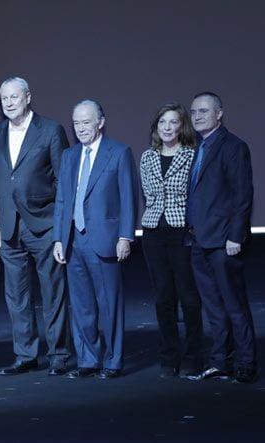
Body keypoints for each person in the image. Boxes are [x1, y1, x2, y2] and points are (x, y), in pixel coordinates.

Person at [0, 77, 72, 376]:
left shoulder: (50, 130)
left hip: (44, 223)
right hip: (9, 228)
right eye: (4, 98)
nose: (9, 103)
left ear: (28, 97)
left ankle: (59, 353)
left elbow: (64, 180)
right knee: (16, 295)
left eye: (14, 97)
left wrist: (61, 226)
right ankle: (25, 354)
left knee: (53, 291)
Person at [52, 99, 137, 379]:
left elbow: (128, 197)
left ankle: (113, 361)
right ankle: (88, 359)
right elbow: (63, 199)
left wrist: (126, 236)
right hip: (74, 239)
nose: (80, 128)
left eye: (86, 122)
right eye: (76, 123)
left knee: (109, 304)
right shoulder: (70, 156)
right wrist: (58, 238)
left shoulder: (119, 152)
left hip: (105, 239)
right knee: (82, 305)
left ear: (101, 121)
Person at [186, 92, 257, 383]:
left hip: (224, 242)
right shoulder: (199, 148)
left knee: (234, 306)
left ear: (219, 114)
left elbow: (242, 196)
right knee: (213, 307)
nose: (197, 116)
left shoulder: (233, 146)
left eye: (204, 111)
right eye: (193, 112)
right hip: (199, 241)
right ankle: (220, 361)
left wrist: (236, 236)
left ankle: (245, 362)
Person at [140, 102, 203, 378]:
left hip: (182, 232)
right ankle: (169, 356)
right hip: (154, 232)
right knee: (163, 298)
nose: (167, 127)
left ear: (182, 126)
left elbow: (195, 195)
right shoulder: (147, 157)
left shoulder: (192, 156)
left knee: (188, 297)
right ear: (156, 127)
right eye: (162, 122)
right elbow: (149, 195)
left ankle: (193, 356)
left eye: (173, 122)